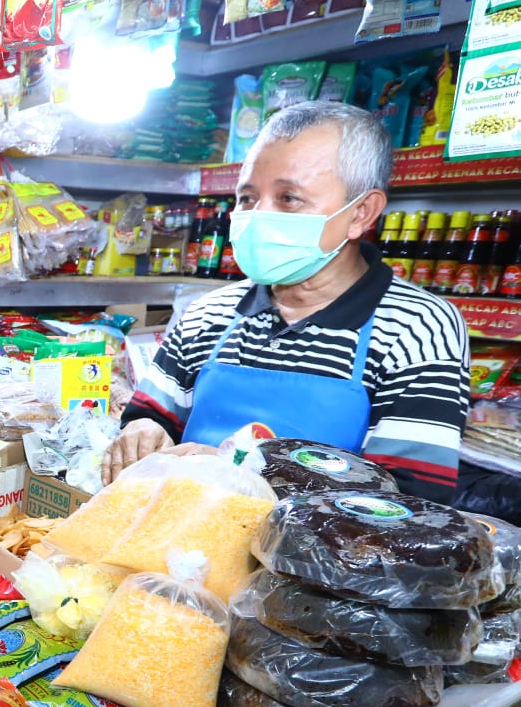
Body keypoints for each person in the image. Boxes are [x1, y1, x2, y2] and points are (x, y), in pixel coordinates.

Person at [106, 102, 468, 502]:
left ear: (361, 213)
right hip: (177, 552)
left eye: (289, 198)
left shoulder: (418, 327)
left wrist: (236, 475)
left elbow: (410, 501)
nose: (259, 216)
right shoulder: (209, 312)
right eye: (247, 198)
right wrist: (142, 432)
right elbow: (152, 415)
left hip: (315, 561)